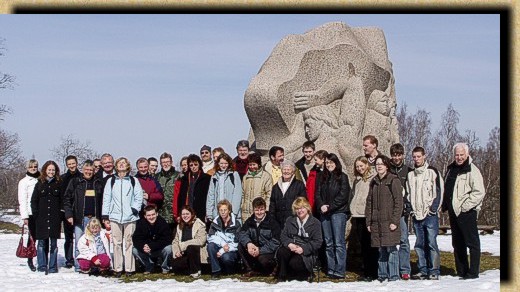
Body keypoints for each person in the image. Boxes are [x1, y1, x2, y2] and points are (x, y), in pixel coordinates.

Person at [442, 143, 486, 280]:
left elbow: (479, 192)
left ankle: (473, 273)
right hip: (453, 212)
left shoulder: (472, 170)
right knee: (458, 243)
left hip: (467, 212)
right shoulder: (451, 169)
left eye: (462, 155)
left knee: (472, 243)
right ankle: (461, 271)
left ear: (467, 154)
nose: (459, 157)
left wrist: (466, 206)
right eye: (457, 155)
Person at [102, 157, 143, 277]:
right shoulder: (111, 181)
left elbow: (138, 196)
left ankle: (130, 268)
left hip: (130, 217)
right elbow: (106, 198)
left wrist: (134, 209)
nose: (121, 165)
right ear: (116, 166)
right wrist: (105, 215)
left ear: (128, 166)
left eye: (123, 163)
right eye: (119, 163)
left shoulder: (133, 180)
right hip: (115, 216)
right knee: (116, 242)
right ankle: (118, 268)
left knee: (129, 242)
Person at [407, 146, 444, 280]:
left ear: (424, 156)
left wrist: (433, 209)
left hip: (429, 215)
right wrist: (410, 210)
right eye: (414, 157)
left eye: (419, 156)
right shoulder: (411, 175)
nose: (416, 159)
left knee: (431, 243)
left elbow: (439, 192)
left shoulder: (432, 172)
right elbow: (407, 194)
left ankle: (434, 270)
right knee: (419, 244)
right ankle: (422, 269)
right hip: (416, 215)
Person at [365, 155, 403, 282]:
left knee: (391, 248)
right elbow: (369, 202)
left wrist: (395, 221)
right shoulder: (374, 181)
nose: (379, 166)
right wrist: (369, 221)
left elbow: (399, 202)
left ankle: (393, 276)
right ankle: (382, 275)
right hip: (376, 222)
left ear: (387, 165)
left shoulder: (393, 180)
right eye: (377, 164)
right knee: (381, 249)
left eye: (381, 164)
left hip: (389, 221)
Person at [63, 160, 104, 272]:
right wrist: (69, 214)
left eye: (91, 170)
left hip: (94, 219)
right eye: (86, 170)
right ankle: (79, 266)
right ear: (83, 170)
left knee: (95, 243)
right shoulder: (76, 181)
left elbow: (102, 201)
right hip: (80, 218)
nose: (89, 172)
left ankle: (95, 266)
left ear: (94, 171)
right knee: (79, 243)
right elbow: (67, 198)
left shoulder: (98, 183)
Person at [315, 153, 350, 279]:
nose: (329, 165)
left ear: (336, 163)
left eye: (331, 163)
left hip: (338, 212)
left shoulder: (342, 177)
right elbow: (317, 194)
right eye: (327, 163)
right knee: (328, 243)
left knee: (339, 242)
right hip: (324, 214)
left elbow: (343, 196)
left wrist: (330, 206)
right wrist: (321, 206)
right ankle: (331, 268)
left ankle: (340, 270)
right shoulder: (321, 177)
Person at [276, 197, 322, 282]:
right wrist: (289, 244)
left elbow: (318, 241)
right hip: (293, 246)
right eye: (297, 208)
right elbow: (283, 236)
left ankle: (305, 274)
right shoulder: (290, 220)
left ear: (307, 208)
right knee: (281, 252)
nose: (299, 211)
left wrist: (303, 249)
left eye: (302, 208)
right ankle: (282, 276)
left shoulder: (315, 223)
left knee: (294, 263)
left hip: (306, 251)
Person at [348, 156, 378, 281]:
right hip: (357, 214)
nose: (359, 168)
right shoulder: (357, 180)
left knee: (370, 244)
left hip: (367, 214)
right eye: (357, 166)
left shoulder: (373, 178)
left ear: (367, 165)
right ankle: (366, 271)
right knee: (363, 245)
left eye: (361, 166)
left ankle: (373, 271)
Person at [31, 160, 62, 274]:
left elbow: (62, 201)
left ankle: (53, 266)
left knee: (53, 244)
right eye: (49, 170)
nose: (51, 172)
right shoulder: (39, 184)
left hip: (54, 218)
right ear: (45, 170)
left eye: (53, 170)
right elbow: (34, 201)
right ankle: (42, 265)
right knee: (41, 243)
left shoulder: (59, 184)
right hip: (41, 218)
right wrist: (36, 215)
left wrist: (60, 215)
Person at [238, 197, 280, 277]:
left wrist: (260, 250)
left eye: (261, 209)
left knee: (263, 259)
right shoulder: (250, 221)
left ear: (265, 209)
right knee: (241, 246)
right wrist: (249, 244)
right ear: (253, 210)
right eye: (257, 210)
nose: (259, 212)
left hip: (268, 252)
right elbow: (242, 233)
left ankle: (270, 270)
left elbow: (276, 241)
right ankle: (250, 270)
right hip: (254, 249)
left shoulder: (272, 221)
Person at [389, 143, 413, 280]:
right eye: (394, 155)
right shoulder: (388, 170)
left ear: (403, 155)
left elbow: (411, 191)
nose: (396, 158)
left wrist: (408, 206)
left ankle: (405, 269)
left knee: (403, 240)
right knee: (390, 241)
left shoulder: (408, 171)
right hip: (389, 211)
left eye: (399, 155)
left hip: (402, 212)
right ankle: (392, 268)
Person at [132, 205, 173, 274]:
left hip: (159, 249)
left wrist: (152, 246)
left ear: (157, 214)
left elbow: (167, 239)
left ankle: (165, 267)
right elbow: (136, 239)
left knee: (169, 248)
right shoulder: (140, 223)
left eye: (153, 214)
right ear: (145, 216)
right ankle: (149, 266)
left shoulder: (162, 223)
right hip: (146, 250)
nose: (151, 217)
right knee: (134, 250)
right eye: (149, 215)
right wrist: (143, 246)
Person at [207, 199, 241, 279]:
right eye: (221, 210)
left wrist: (222, 250)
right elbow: (210, 236)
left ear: (229, 211)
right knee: (210, 246)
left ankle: (230, 270)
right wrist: (222, 244)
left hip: (232, 249)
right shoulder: (214, 223)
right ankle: (216, 271)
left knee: (226, 258)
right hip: (220, 246)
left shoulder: (236, 224)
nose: (223, 212)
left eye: (225, 210)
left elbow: (237, 242)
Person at [171, 205, 208, 278]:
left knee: (191, 247)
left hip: (196, 252)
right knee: (175, 266)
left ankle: (195, 271)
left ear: (192, 214)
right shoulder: (179, 226)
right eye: (183, 214)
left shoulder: (199, 224)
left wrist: (184, 245)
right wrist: (176, 251)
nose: (185, 216)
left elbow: (201, 241)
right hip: (183, 253)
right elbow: (175, 241)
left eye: (187, 214)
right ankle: (191, 269)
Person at [269, 160, 307, 229]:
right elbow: (272, 204)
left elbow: (303, 203)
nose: (286, 171)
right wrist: (272, 219)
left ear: (293, 172)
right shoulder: (275, 187)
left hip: (294, 220)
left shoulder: (299, 185)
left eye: (288, 169)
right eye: (284, 169)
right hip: (278, 222)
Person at [17, 159, 40, 272]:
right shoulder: (24, 182)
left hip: (41, 212)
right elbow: (22, 199)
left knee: (42, 237)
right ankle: (30, 259)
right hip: (31, 213)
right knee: (32, 238)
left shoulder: (40, 179)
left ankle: (42, 258)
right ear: (27, 168)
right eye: (31, 167)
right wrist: (24, 216)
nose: (33, 168)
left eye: (35, 166)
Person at [206, 153, 243, 222]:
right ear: (218, 164)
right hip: (218, 214)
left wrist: (234, 213)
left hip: (231, 213)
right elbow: (211, 195)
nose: (223, 165)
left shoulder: (234, 175)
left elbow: (237, 194)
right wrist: (209, 213)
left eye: (226, 163)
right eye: (221, 163)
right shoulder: (214, 176)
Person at [176, 154, 211, 225]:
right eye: (191, 165)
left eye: (195, 164)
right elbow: (180, 197)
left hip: (201, 211)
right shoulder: (184, 179)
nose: (193, 167)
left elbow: (209, 197)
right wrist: (179, 213)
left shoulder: (206, 178)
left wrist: (207, 213)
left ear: (199, 165)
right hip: (187, 211)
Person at [60, 155, 81, 268]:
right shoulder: (63, 178)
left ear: (77, 163)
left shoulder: (82, 176)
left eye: (73, 163)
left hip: (79, 211)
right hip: (67, 212)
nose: (72, 166)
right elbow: (63, 196)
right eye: (69, 164)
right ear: (67, 165)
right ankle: (69, 259)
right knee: (68, 237)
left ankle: (81, 257)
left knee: (80, 236)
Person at [240, 152, 273, 222]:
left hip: (259, 211)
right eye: (250, 165)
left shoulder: (266, 176)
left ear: (259, 164)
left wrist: (266, 209)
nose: (252, 167)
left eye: (254, 164)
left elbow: (269, 194)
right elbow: (243, 194)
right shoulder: (245, 177)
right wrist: (242, 206)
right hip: (246, 212)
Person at [156, 152, 180, 230]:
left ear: (171, 162)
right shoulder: (157, 177)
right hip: (161, 214)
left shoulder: (179, 176)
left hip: (174, 214)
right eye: (163, 162)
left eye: (167, 162)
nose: (165, 164)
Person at [306, 149, 328, 214]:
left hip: (325, 204)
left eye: (316, 160)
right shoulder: (314, 172)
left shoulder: (329, 173)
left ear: (323, 159)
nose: (315, 162)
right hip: (315, 203)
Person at [172, 156, 189, 221]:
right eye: (182, 165)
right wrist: (176, 214)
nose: (184, 167)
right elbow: (176, 197)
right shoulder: (179, 180)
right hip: (182, 210)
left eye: (186, 164)